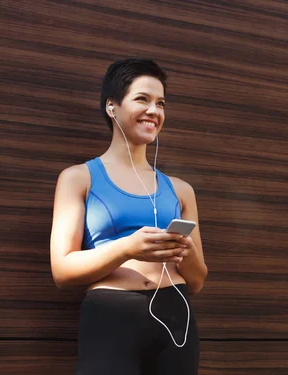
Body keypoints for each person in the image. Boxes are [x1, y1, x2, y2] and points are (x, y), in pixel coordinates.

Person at [50, 58, 208, 375]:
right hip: (111, 316)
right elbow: (62, 271)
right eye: (142, 99)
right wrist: (126, 248)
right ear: (112, 107)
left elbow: (197, 280)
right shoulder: (79, 178)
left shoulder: (180, 190)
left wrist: (186, 253)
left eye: (160, 103)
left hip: (176, 316)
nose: (154, 111)